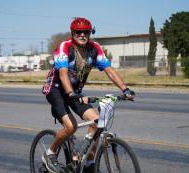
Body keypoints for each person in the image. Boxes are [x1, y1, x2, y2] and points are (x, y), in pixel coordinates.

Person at [42, 17, 135, 173]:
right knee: (71, 127)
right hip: (56, 89)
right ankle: (50, 154)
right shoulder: (65, 47)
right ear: (73, 33)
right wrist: (71, 93)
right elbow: (63, 73)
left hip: (75, 92)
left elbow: (109, 70)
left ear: (90, 32)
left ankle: (88, 162)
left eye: (86, 32)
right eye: (79, 32)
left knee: (97, 121)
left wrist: (125, 90)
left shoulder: (95, 49)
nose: (82, 35)